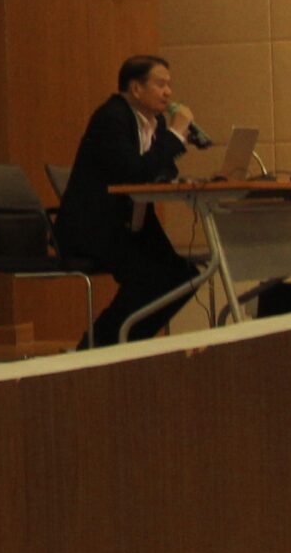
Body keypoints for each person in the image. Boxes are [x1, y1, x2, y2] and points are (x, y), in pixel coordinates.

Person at [56, 55, 207, 346]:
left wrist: (171, 146)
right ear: (136, 88)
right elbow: (134, 174)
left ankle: (128, 342)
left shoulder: (154, 122)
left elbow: (159, 170)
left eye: (169, 85)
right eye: (160, 84)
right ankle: (98, 346)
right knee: (150, 277)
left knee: (184, 276)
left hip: (131, 225)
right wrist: (175, 135)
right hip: (95, 227)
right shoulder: (111, 118)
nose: (168, 93)